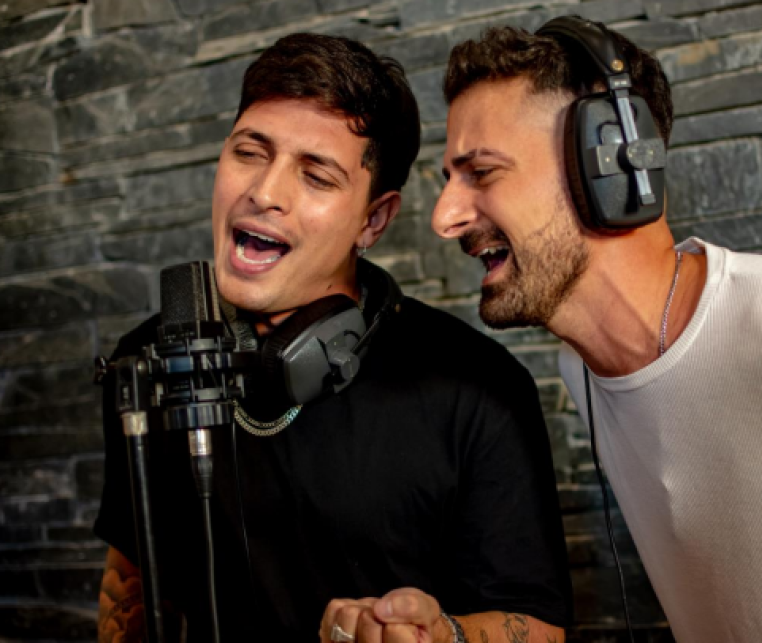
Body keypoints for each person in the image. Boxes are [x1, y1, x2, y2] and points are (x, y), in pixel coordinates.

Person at [432, 18, 762, 643]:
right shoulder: (584, 371)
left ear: (612, 167)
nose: (444, 217)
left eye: (482, 172)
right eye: (449, 180)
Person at [95, 33, 572, 643]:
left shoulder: (478, 385)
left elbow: (540, 626)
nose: (265, 193)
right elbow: (129, 589)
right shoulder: (147, 361)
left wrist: (444, 636)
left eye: (316, 176)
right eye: (249, 153)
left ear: (373, 219)